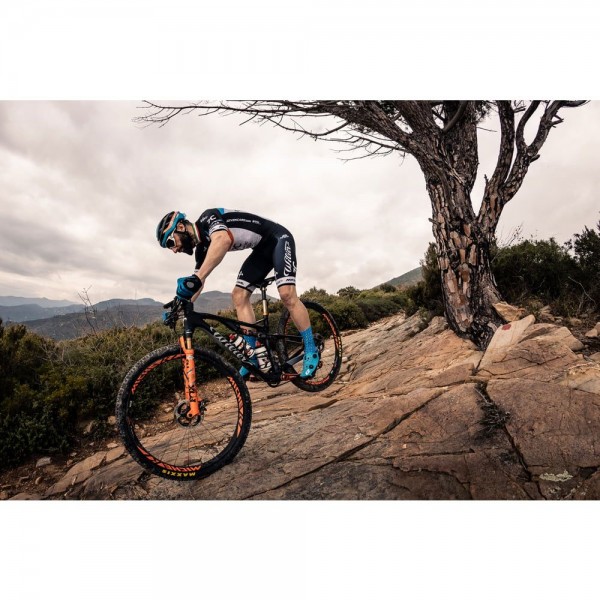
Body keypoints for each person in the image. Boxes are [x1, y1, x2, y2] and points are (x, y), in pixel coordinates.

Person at [156, 208, 319, 379]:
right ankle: (252, 357)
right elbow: (198, 283)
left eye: (170, 243)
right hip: (261, 251)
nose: (174, 250)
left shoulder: (208, 218)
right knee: (238, 295)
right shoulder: (202, 249)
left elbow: (223, 239)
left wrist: (197, 278)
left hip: (279, 238)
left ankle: (311, 348)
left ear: (180, 227)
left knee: (286, 294)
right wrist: (179, 306)